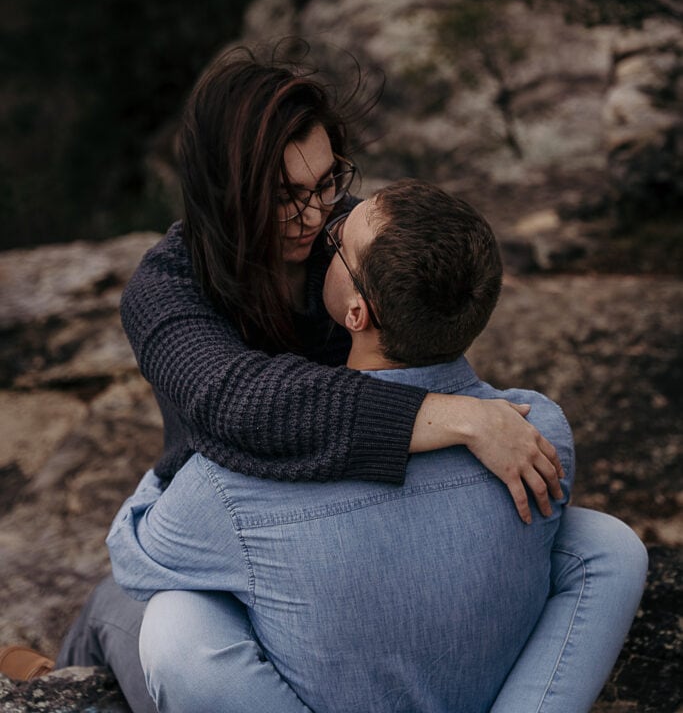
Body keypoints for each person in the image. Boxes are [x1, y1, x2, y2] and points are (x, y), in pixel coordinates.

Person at [0, 48, 646, 712]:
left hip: (337, 534)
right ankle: (58, 683)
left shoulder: (349, 242)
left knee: (604, 545)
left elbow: (420, 318)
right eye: (284, 197)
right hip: (245, 529)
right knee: (128, 617)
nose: (313, 217)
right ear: (224, 191)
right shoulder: (168, 289)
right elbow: (237, 402)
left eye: (326, 183)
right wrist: (453, 416)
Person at [106, 180, 647, 713]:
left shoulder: (231, 487)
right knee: (607, 544)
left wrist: (184, 453)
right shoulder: (539, 435)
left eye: (339, 237)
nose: (323, 228)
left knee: (156, 620)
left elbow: (132, 554)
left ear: (356, 313)